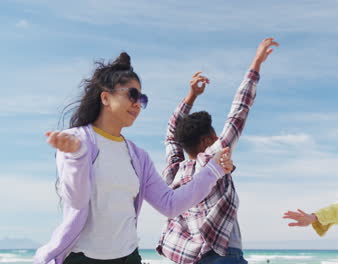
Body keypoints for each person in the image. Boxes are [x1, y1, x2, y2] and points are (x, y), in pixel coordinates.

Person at [33, 52, 234, 264]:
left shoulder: (138, 156)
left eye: (142, 99)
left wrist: (213, 170)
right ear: (105, 97)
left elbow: (170, 204)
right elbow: (77, 199)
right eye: (132, 94)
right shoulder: (77, 140)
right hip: (83, 258)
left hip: (128, 257)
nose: (138, 104)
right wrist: (76, 158)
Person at [157, 38, 279, 264]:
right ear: (206, 141)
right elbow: (239, 112)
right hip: (223, 255)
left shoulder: (174, 172)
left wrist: (191, 96)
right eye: (214, 137)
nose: (218, 140)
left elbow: (171, 135)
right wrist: (256, 63)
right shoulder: (212, 162)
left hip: (190, 258)